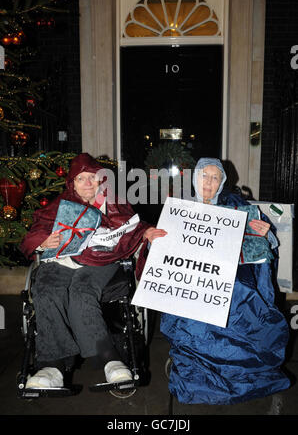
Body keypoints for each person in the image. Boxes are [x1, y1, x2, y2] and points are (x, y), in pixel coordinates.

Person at [20, 153, 165, 389]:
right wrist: (44, 242)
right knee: (45, 288)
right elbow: (35, 232)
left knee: (81, 291)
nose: (87, 183)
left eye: (92, 178)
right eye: (80, 179)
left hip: (101, 261)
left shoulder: (114, 202)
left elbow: (135, 225)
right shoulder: (61, 204)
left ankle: (110, 360)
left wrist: (147, 232)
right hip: (62, 261)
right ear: (72, 183)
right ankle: (52, 366)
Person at [160, 157, 290, 405]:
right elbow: (165, 248)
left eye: (215, 177)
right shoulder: (179, 207)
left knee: (240, 296)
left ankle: (239, 370)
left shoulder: (237, 205)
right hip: (191, 276)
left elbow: (265, 244)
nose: (209, 182)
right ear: (195, 178)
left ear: (221, 183)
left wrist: (267, 234)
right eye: (204, 176)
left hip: (232, 273)